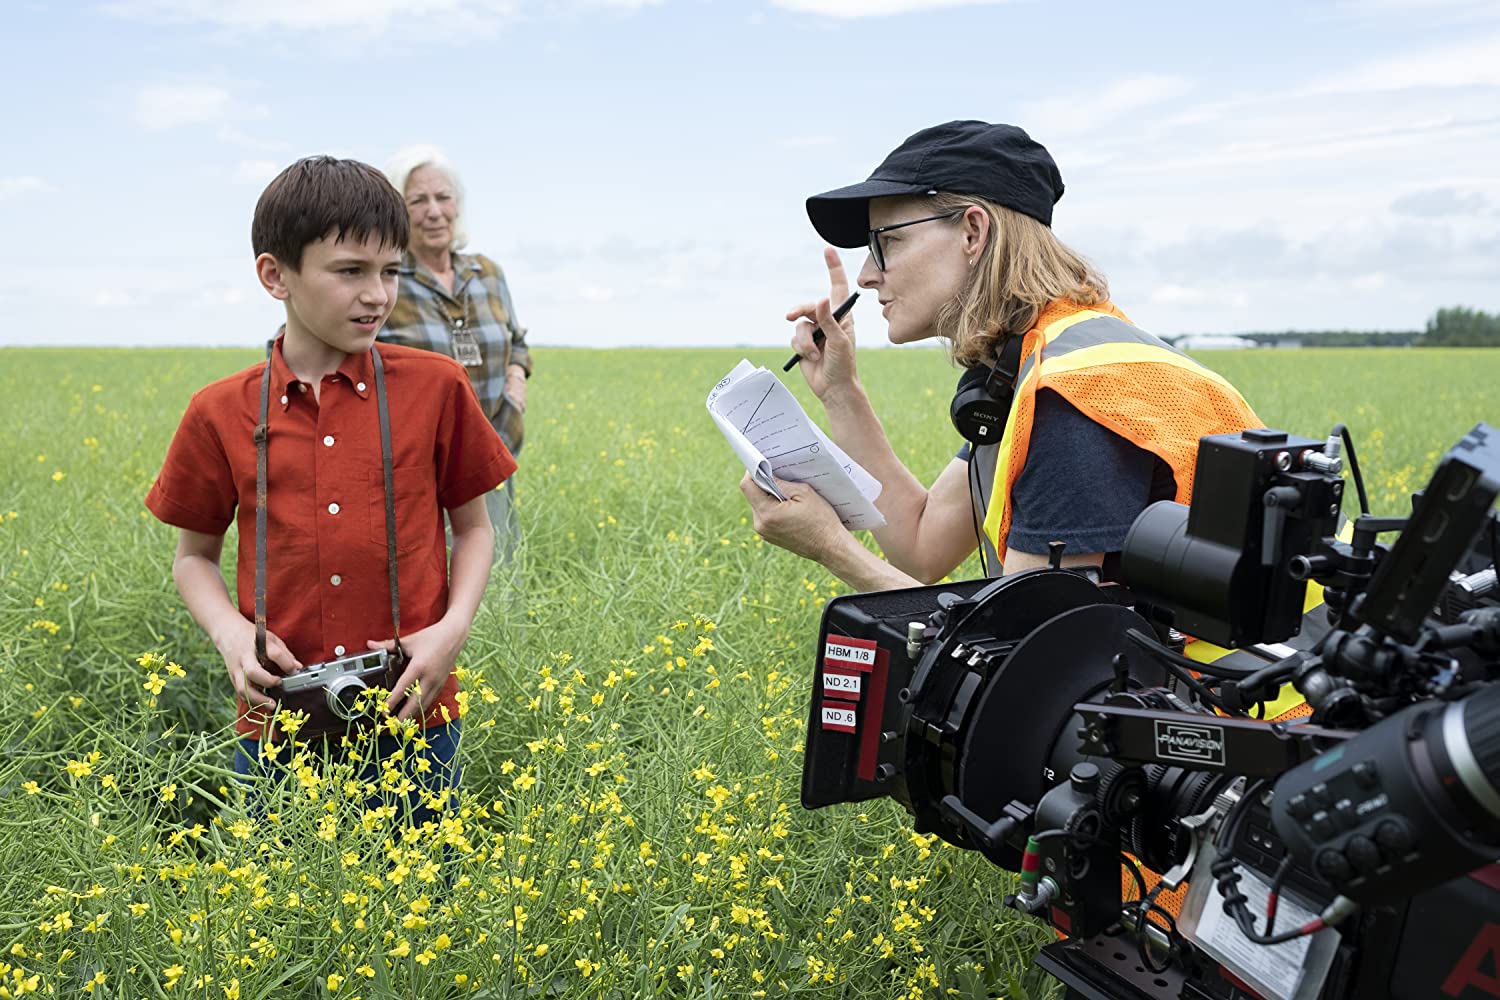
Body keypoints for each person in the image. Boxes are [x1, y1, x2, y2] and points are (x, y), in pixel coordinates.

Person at [144, 156, 515, 824]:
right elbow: (192, 556)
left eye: (391, 271)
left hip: (417, 713)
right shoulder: (218, 410)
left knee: (424, 907)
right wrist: (230, 633)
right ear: (274, 275)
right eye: (351, 271)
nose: (378, 295)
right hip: (278, 725)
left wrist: (450, 633)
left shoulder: (436, 388)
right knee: (285, 917)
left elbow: (476, 528)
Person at [741, 120, 1261, 590]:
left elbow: (1029, 655)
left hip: (1227, 698)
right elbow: (922, 546)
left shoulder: (1071, 395)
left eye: (885, 243)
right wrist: (839, 392)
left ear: (973, 231)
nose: (867, 275)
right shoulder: (1031, 365)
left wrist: (833, 548)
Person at [379, 145, 532, 564]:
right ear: (396, 210)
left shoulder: (487, 273)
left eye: (443, 198)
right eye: (417, 201)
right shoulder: (385, 279)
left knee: (500, 584)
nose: (434, 211)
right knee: (434, 589)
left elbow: (517, 340)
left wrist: (516, 378)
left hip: (493, 454)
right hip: (419, 471)